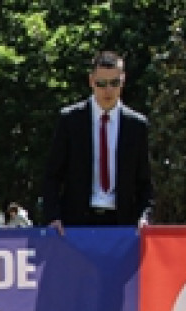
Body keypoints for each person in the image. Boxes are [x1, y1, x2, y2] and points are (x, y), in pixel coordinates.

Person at [41, 51, 153, 234]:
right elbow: (52, 175)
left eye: (114, 83)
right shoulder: (70, 120)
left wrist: (144, 217)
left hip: (122, 225)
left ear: (123, 80)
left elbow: (144, 183)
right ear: (91, 81)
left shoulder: (136, 125)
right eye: (101, 84)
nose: (108, 90)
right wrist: (53, 217)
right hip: (76, 224)